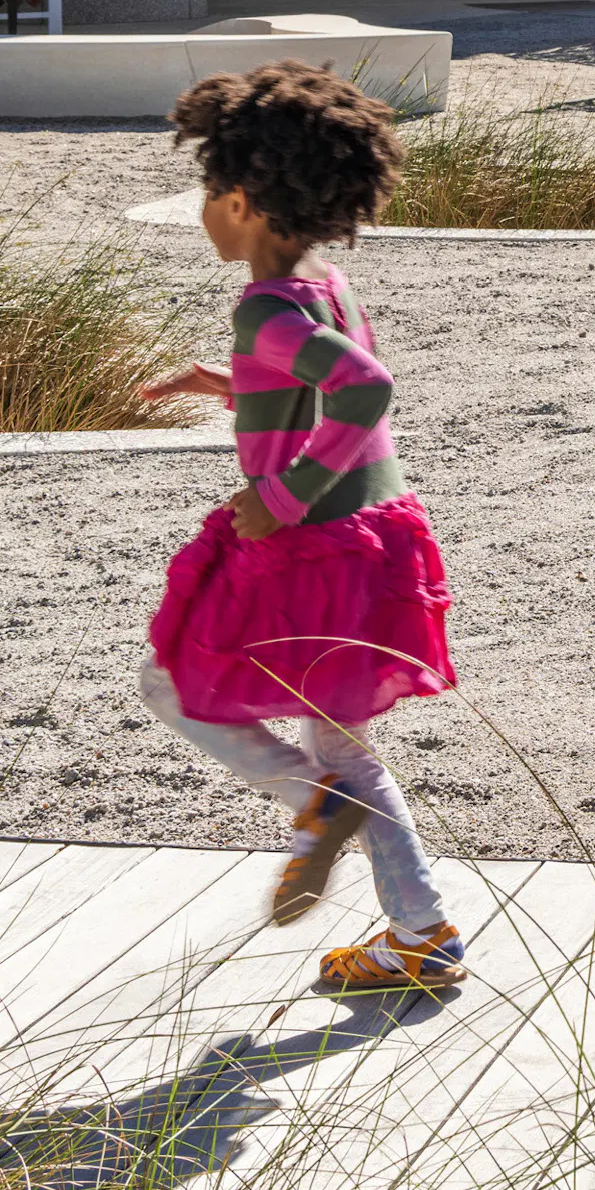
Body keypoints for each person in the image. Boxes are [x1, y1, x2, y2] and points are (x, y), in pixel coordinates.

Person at [140, 62, 467, 996]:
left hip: (310, 546)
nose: (203, 211)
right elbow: (326, 377)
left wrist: (285, 495)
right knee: (345, 746)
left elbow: (363, 388)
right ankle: (421, 933)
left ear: (242, 201)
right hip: (375, 540)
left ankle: (313, 805)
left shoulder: (265, 305)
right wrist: (235, 383)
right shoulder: (327, 283)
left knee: (171, 681)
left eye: (207, 192)